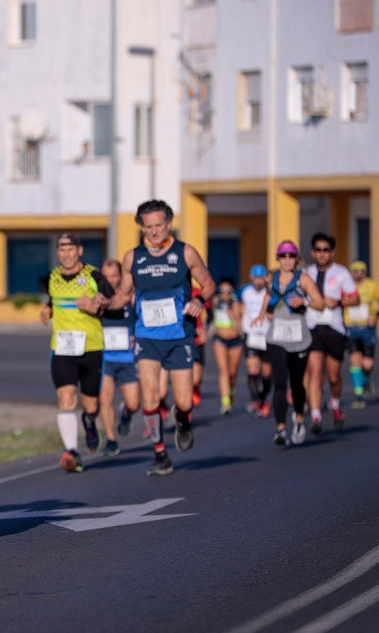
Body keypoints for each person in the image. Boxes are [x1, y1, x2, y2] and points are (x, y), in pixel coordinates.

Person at [109, 200, 216, 476]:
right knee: (150, 398)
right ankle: (160, 454)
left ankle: (183, 422)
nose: (154, 232)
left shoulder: (186, 253)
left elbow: (208, 283)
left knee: (184, 402)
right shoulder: (133, 258)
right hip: (147, 337)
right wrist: (102, 303)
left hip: (179, 336)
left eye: (159, 225)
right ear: (141, 227)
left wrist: (199, 300)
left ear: (168, 224)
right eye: (148, 227)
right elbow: (122, 295)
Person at [39, 234, 114, 471]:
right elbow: (52, 300)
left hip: (91, 347)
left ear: (80, 250)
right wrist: (47, 309)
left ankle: (90, 421)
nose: (66, 253)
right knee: (66, 398)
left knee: (90, 405)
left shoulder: (93, 276)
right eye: (62, 249)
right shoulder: (52, 278)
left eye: (71, 249)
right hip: (62, 348)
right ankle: (72, 451)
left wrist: (97, 306)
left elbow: (110, 301)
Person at [253, 241, 326, 446]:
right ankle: (280, 429)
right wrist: (260, 315)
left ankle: (300, 419)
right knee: (280, 382)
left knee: (296, 382)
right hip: (276, 337)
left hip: (299, 338)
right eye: (283, 256)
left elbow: (320, 304)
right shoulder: (271, 277)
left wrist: (305, 302)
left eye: (291, 256)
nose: (287, 260)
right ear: (277, 258)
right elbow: (268, 295)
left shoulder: (303, 279)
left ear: (297, 259)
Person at [302, 233, 359, 433]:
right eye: (318, 250)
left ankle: (334, 402)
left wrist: (339, 301)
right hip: (312, 327)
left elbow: (355, 299)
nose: (322, 254)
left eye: (326, 250)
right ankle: (316, 416)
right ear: (313, 252)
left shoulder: (342, 273)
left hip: (334, 327)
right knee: (315, 371)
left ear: (332, 253)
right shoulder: (306, 273)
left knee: (333, 376)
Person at [99, 258, 140, 455]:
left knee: (134, 403)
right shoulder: (96, 298)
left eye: (114, 276)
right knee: (105, 400)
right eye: (106, 276)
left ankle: (126, 412)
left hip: (127, 359)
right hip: (104, 358)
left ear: (121, 276)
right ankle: (111, 440)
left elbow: (142, 320)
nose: (110, 280)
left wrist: (137, 337)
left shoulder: (130, 297)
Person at [343, 259, 379, 408]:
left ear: (365, 272)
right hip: (351, 328)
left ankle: (365, 380)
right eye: (355, 271)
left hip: (368, 329)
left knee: (367, 364)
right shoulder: (346, 287)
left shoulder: (372, 286)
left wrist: (377, 315)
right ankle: (359, 394)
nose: (358, 275)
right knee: (355, 360)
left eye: (361, 271)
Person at [240, 264, 274, 417]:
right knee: (253, 369)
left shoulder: (271, 292)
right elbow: (239, 307)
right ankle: (255, 401)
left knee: (267, 372)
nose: (259, 281)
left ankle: (263, 397)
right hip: (251, 333)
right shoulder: (245, 291)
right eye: (256, 278)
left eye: (261, 278)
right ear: (251, 277)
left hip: (267, 334)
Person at [210, 278, 244, 415]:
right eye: (223, 291)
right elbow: (209, 317)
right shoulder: (216, 302)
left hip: (235, 340)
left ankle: (231, 391)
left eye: (228, 291)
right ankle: (225, 402)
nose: (225, 295)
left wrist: (234, 316)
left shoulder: (237, 304)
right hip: (219, 339)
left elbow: (240, 325)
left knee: (232, 373)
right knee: (223, 371)